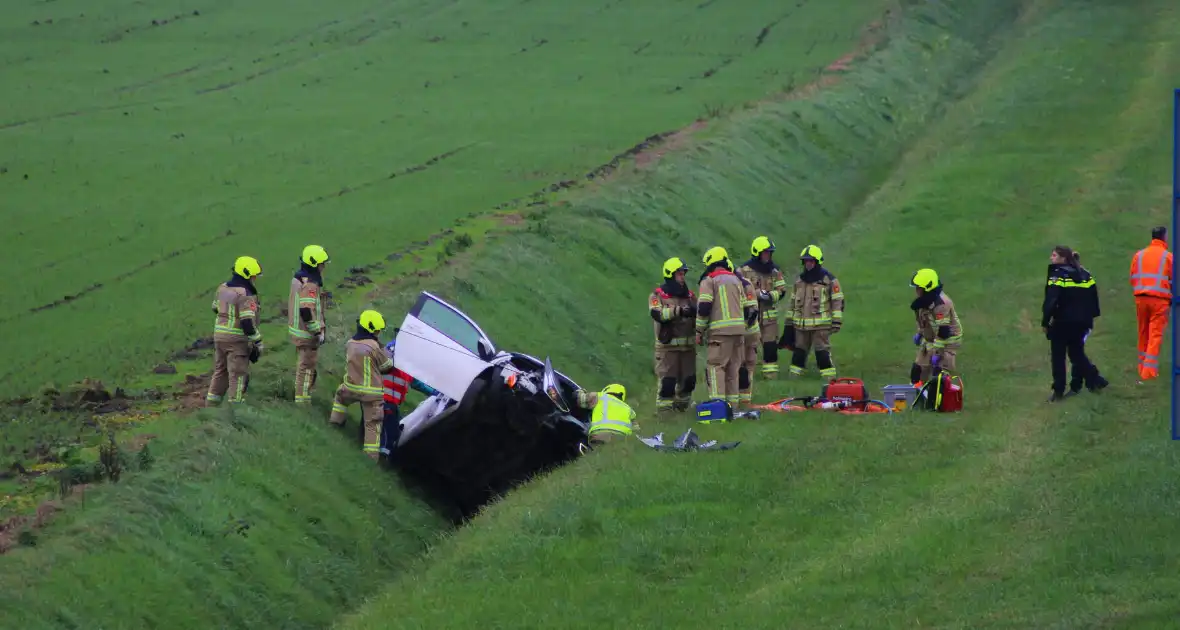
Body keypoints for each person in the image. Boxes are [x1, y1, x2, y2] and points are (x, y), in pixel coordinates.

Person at [329, 310, 396, 460]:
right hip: (371, 394)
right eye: (378, 330)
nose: (379, 333)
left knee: (340, 399)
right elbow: (387, 367)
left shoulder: (350, 343)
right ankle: (371, 458)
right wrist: (387, 353)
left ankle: (335, 424)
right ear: (372, 329)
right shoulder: (374, 346)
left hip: (350, 388)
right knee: (372, 424)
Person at [1044, 245, 1108, 401]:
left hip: (1063, 322)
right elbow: (1094, 299)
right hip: (1083, 322)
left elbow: (1051, 300)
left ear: (1063, 258)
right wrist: (1090, 318)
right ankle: (1095, 380)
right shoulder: (1086, 274)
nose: (1051, 258)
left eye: (1054, 255)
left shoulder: (1057, 275)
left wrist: (1046, 321)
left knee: (1058, 356)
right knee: (1076, 354)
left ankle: (1058, 390)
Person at [695, 246, 753, 408]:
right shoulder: (736, 280)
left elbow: (704, 308)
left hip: (720, 333)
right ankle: (732, 407)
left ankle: (717, 407)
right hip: (739, 332)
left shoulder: (710, 280)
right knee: (733, 369)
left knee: (716, 368)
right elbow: (746, 307)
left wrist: (699, 330)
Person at [206, 256, 263, 406]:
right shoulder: (245, 295)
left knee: (220, 372)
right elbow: (247, 322)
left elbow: (215, 308)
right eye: (253, 276)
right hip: (236, 341)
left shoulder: (222, 288)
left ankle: (211, 408)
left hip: (219, 337)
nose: (254, 279)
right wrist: (258, 341)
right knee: (237, 375)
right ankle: (235, 410)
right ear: (247, 275)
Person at [780, 245, 844, 379]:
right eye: (806, 261)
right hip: (800, 326)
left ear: (817, 261)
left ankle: (829, 379)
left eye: (811, 261)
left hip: (821, 326)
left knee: (822, 353)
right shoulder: (799, 280)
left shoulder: (829, 280)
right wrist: (788, 324)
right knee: (799, 353)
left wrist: (836, 321)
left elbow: (838, 300)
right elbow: (792, 303)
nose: (808, 263)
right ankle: (794, 379)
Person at [648, 257, 697, 413]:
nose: (682, 277)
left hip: (688, 348)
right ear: (670, 275)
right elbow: (657, 314)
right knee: (667, 384)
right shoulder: (658, 296)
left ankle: (682, 411)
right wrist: (679, 311)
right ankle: (665, 415)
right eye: (679, 274)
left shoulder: (690, 296)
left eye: (683, 274)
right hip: (667, 349)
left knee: (689, 382)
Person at [378, 336, 438, 459]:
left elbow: (417, 384)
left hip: (383, 401)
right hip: (385, 401)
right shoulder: (397, 361)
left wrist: (435, 393)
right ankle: (383, 455)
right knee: (391, 431)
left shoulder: (407, 367)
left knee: (394, 426)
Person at [738, 236, 789, 378]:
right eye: (766, 252)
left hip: (768, 317)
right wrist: (755, 294)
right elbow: (737, 291)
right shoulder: (743, 270)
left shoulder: (774, 271)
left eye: (770, 253)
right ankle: (745, 375)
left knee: (770, 347)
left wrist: (771, 295)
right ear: (757, 253)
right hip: (749, 316)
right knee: (747, 346)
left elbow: (782, 290)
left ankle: (770, 376)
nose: (768, 256)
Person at [1129, 226, 1173, 382]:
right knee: (1155, 334)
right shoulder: (1168, 257)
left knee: (1143, 332)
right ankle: (1148, 372)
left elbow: (1132, 277)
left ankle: (1141, 367)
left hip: (1141, 298)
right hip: (1159, 300)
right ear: (1164, 237)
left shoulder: (1139, 255)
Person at [288, 244, 330, 404]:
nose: (323, 267)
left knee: (305, 367)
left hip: (298, 330)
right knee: (306, 368)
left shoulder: (298, 278)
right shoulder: (310, 284)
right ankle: (302, 402)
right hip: (307, 334)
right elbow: (306, 309)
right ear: (314, 264)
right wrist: (317, 332)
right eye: (322, 264)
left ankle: (302, 397)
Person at [908, 268, 963, 386]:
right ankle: (918, 394)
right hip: (931, 338)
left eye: (918, 288)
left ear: (927, 288)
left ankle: (940, 399)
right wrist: (920, 333)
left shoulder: (941, 305)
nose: (916, 291)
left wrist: (937, 353)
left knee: (939, 374)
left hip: (948, 341)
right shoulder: (923, 302)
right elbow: (923, 320)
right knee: (918, 370)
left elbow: (944, 332)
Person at [730, 260, 761, 408]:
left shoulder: (734, 286)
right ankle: (744, 400)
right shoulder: (746, 283)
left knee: (742, 365)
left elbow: (752, 311)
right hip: (750, 331)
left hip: (744, 333)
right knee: (746, 366)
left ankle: (741, 400)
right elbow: (753, 310)